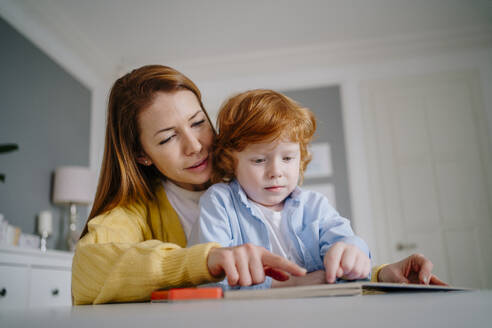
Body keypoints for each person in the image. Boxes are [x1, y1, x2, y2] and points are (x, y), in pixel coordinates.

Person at [71, 65, 445, 305]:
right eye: (168, 138)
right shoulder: (136, 212)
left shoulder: (256, 184)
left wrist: (380, 274)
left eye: (198, 122)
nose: (195, 144)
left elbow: (307, 265)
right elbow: (87, 272)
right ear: (142, 155)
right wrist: (207, 259)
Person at [190, 89, 371, 290]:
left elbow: (345, 243)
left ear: (300, 157)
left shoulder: (314, 205)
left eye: (287, 158)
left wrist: (352, 252)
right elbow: (211, 281)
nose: (276, 172)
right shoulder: (219, 202)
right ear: (231, 162)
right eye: (259, 160)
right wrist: (291, 283)